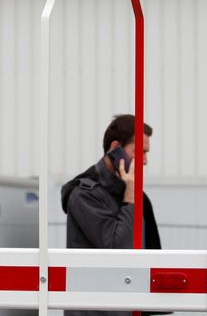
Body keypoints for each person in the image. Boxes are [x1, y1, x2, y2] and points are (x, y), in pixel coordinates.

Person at [61, 114, 162, 316]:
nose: (145, 161)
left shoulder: (130, 193)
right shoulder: (85, 195)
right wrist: (131, 195)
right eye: (140, 152)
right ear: (115, 148)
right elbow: (121, 251)